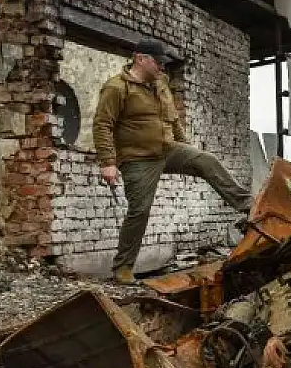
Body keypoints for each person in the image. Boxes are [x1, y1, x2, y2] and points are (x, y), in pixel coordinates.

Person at [93, 39, 253, 284]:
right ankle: (123, 267)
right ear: (140, 58)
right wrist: (108, 162)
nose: (162, 68)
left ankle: (249, 206)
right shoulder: (116, 88)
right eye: (158, 62)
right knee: (140, 210)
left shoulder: (161, 83)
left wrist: (185, 145)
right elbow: (102, 125)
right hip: (138, 159)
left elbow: (173, 118)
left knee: (206, 160)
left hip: (168, 149)